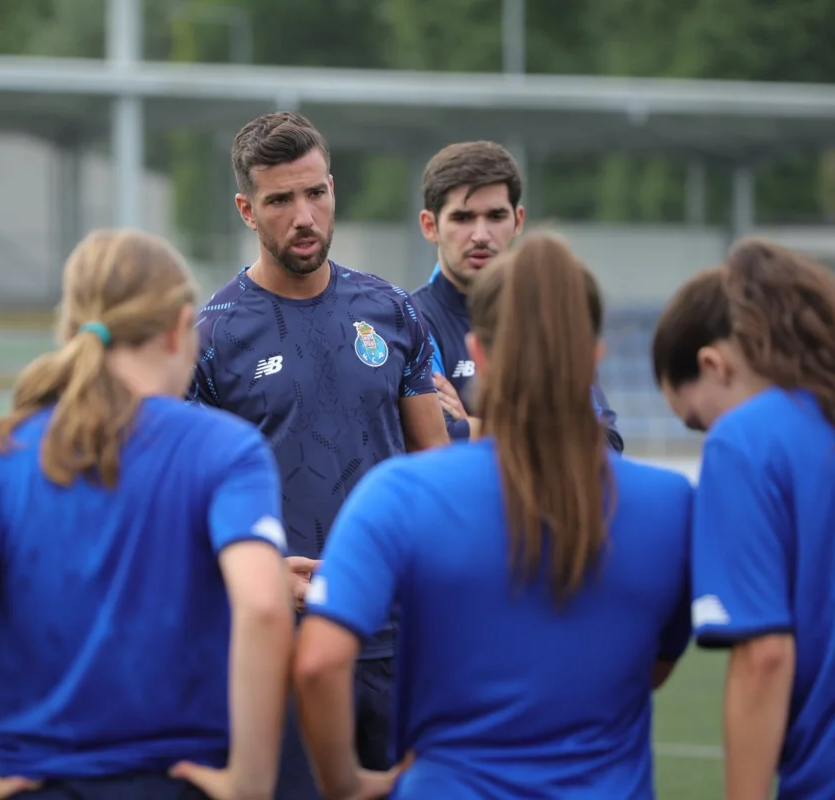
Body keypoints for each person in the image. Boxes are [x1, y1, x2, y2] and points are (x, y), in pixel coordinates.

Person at [0, 228, 295, 800]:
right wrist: (251, 782)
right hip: (177, 784)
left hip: (40, 783)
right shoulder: (225, 449)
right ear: (181, 328)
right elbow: (262, 605)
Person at [296, 233, 693, 799]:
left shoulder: (401, 495)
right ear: (594, 357)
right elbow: (655, 662)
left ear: (478, 352)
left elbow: (318, 665)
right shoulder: (671, 506)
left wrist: (346, 784)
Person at [190, 111, 448, 800]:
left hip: (397, 639)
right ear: (248, 209)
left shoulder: (393, 311)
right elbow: (187, 504)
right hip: (279, 643)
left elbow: (435, 472)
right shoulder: (211, 338)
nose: (304, 216)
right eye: (280, 200)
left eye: (316, 194)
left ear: (333, 188)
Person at [653, 238, 835, 800]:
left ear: (713, 364)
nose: (708, 433)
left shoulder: (746, 440)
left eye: (696, 420)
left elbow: (764, 656)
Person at [408, 141, 624, 451]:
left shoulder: (552, 315)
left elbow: (606, 444)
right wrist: (553, 428)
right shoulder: (411, 321)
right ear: (431, 226)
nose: (481, 235)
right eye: (463, 218)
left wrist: (478, 426)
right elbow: (438, 440)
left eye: (496, 216)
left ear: (518, 221)